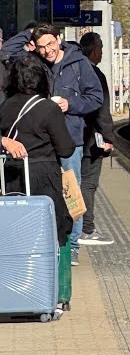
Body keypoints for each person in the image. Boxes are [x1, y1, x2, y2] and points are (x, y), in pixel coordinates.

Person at [3, 24, 103, 266]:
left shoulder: (79, 63)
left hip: (69, 137)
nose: (47, 50)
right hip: (40, 145)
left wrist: (71, 104)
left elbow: (96, 97)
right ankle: (41, 244)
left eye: (50, 44)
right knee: (44, 194)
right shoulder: (33, 61)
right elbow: (6, 50)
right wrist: (31, 32)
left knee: (70, 191)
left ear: (60, 39)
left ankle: (73, 246)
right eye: (41, 46)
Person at [1, 53, 76, 315]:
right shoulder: (49, 108)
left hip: (10, 177)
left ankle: (14, 291)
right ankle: (53, 294)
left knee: (14, 234)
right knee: (57, 228)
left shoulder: (5, 106)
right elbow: (66, 149)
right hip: (43, 176)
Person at [77, 32, 114, 246]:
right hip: (92, 138)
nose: (101, 52)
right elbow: (102, 109)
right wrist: (108, 137)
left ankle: (78, 228)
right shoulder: (94, 74)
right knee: (88, 183)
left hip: (74, 137)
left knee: (77, 182)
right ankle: (86, 229)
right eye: (100, 48)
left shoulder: (75, 70)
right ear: (94, 49)